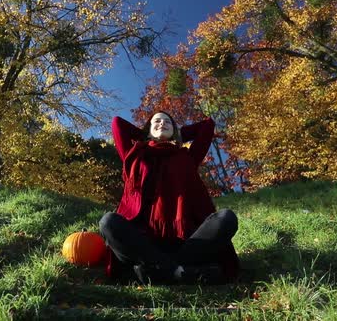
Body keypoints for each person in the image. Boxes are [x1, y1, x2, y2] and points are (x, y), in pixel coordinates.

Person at [99, 111, 240, 284]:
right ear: (148, 129)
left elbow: (207, 126)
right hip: (144, 241)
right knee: (108, 221)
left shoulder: (187, 156)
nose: (162, 123)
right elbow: (117, 123)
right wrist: (146, 134)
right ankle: (182, 271)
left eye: (168, 122)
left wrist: (178, 133)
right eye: (156, 121)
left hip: (187, 241)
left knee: (226, 218)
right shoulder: (134, 155)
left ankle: (160, 271)